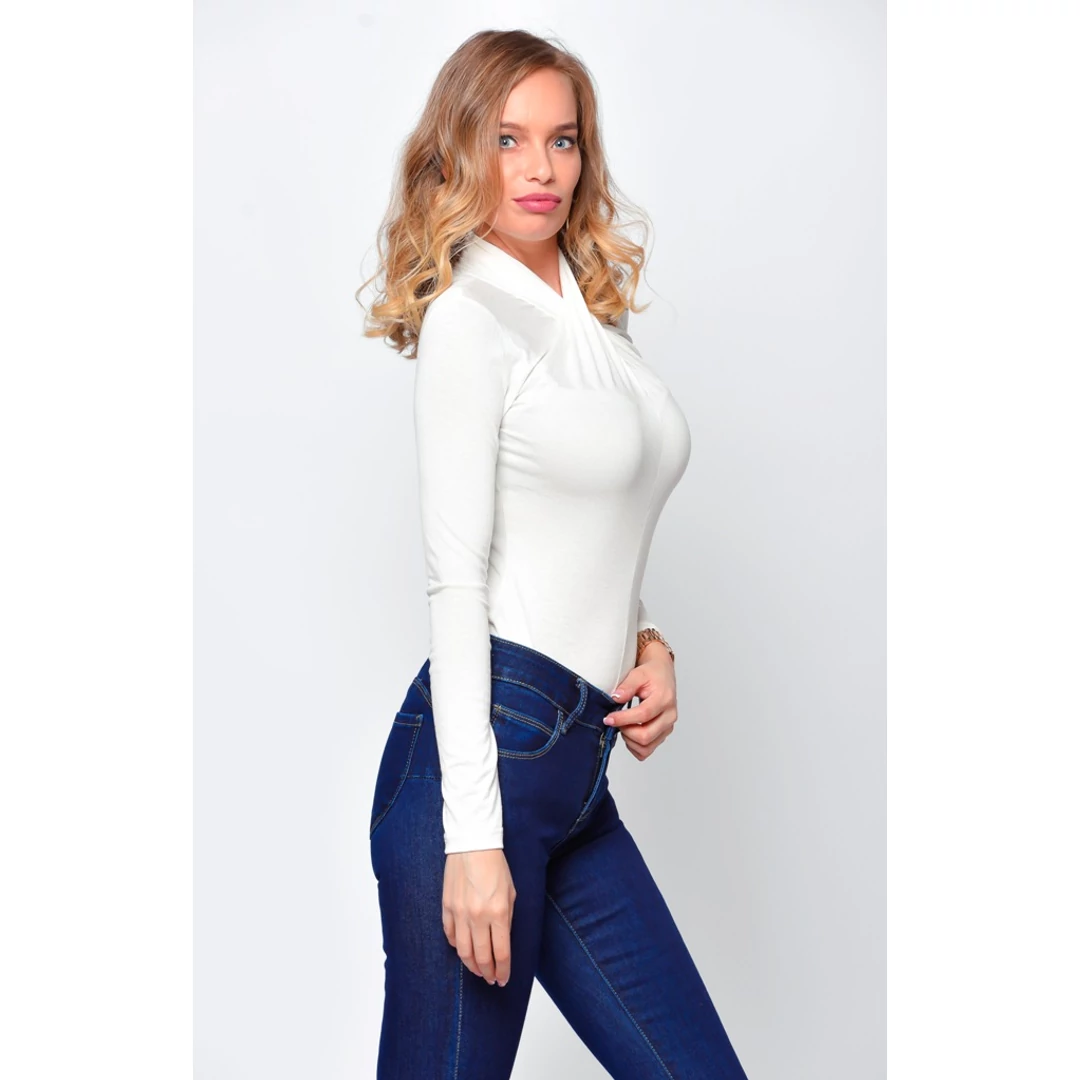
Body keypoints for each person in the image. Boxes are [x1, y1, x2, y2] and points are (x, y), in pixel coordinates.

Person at [356, 28, 750, 1080]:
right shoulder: (470, 320)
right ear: (462, 151)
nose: (540, 168)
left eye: (562, 140)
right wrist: (470, 838)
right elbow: (457, 578)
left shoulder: (588, 325)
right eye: (508, 139)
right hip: (486, 762)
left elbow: (586, 528)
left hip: (576, 775)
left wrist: (651, 643)